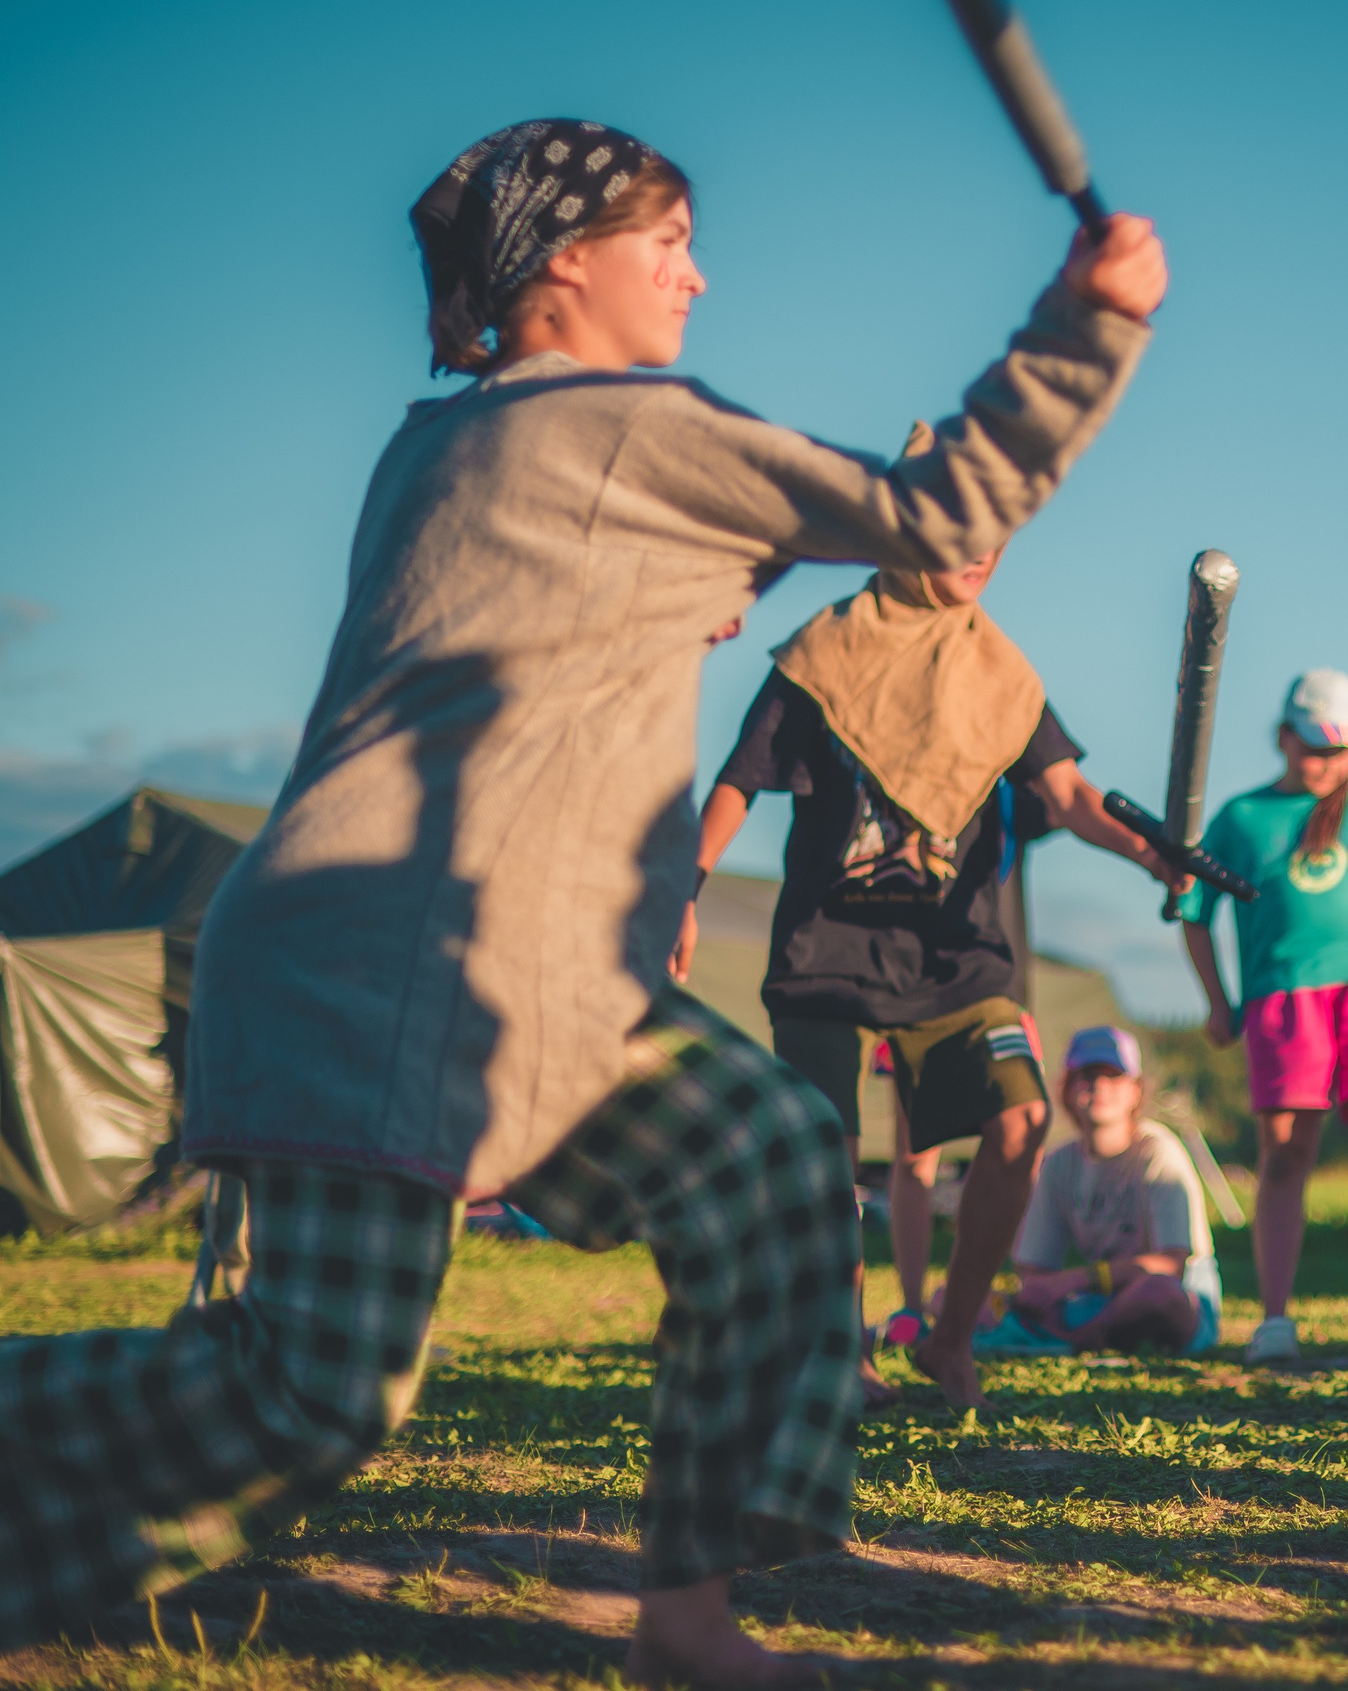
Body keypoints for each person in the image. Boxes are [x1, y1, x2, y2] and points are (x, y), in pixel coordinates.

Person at [0, 121, 1165, 1683]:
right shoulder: (623, 422)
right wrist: (1094, 322)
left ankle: (688, 1610)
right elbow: (941, 515)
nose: (698, 270)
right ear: (564, 260)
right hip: (388, 959)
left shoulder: (453, 436)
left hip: (526, 977)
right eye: (667, 237)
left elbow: (581, 597)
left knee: (766, 1165)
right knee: (313, 1397)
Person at [679, 531, 1175, 1410]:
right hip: (827, 948)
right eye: (957, 535)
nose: (980, 554)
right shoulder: (823, 654)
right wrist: (684, 886)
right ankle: (843, 1354)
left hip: (954, 956)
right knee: (824, 1153)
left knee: (1021, 1116)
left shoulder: (1000, 672)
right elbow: (738, 779)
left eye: (995, 539)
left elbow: (1067, 795)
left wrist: (1151, 854)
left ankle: (950, 1341)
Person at [1178, 669, 1348, 1365]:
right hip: (1282, 996)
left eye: (1340, 749)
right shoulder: (1242, 819)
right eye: (1313, 747)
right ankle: (1275, 1317)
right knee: (1285, 1153)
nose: (1326, 762)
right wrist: (1218, 999)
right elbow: (1194, 912)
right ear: (1282, 737)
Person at [994, 1027, 1222, 1356]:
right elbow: (1033, 1267)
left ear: (1135, 1091)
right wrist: (1039, 1291)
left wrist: (1077, 1280)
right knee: (955, 1299)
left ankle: (1078, 1339)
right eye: (1087, 1075)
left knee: (1158, 1293)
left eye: (1113, 1076)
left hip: (1179, 1297)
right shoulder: (1058, 1163)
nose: (1099, 1086)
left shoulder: (1158, 1152)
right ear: (1067, 1089)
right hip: (1101, 1299)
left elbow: (1172, 1264)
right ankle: (1089, 1335)